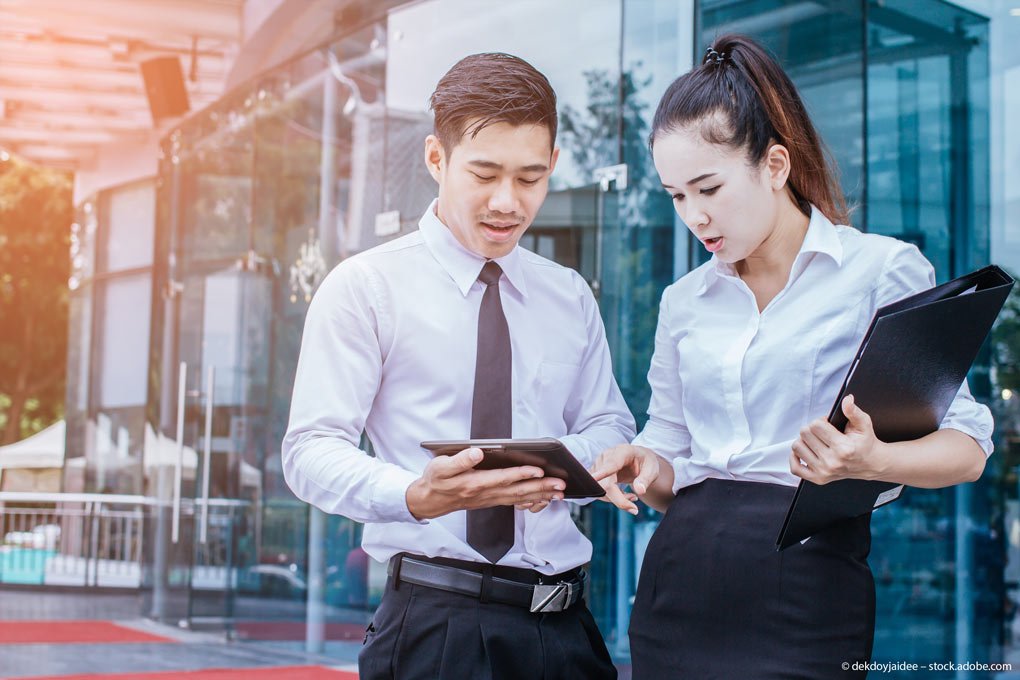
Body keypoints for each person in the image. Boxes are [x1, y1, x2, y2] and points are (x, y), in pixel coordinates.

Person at [590, 34, 994, 679]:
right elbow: (670, 457)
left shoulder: (880, 271)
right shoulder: (684, 300)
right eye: (676, 196)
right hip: (678, 580)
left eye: (709, 187)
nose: (694, 215)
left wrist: (873, 459)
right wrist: (643, 462)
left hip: (809, 585)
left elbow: (968, 446)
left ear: (774, 166)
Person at [282, 52, 635, 680]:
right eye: (484, 173)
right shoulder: (366, 287)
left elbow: (611, 422)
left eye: (530, 178)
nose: (507, 202)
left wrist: (560, 465)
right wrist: (415, 494)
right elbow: (310, 450)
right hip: (435, 630)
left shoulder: (570, 294)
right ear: (436, 159)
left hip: (567, 630)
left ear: (554, 165)